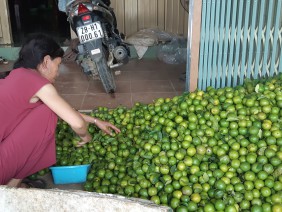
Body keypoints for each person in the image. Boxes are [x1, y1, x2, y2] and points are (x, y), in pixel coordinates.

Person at [0, 33, 120, 187]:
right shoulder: (39, 83)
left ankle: (11, 186)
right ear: (46, 61)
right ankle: (10, 190)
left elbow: (61, 109)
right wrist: (86, 137)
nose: (58, 72)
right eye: (57, 65)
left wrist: (95, 121)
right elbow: (76, 123)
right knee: (46, 113)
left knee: (46, 110)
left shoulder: (16, 74)